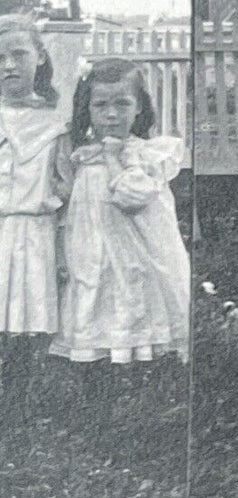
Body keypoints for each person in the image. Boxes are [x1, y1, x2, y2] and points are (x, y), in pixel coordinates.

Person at [49, 59, 190, 376]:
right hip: (91, 244)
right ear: (88, 108)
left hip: (136, 246)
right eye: (100, 105)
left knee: (132, 293)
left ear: (139, 107)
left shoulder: (147, 153)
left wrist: (114, 159)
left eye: (122, 103)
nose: (111, 114)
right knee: (95, 292)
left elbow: (132, 197)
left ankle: (137, 365)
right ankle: (98, 365)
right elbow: (68, 204)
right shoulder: (83, 155)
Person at [0, 17, 71, 435]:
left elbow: (66, 187)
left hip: (36, 233)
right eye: (0, 58)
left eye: (18, 55)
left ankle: (18, 412)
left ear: (40, 57)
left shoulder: (55, 122)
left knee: (28, 322)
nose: (8, 65)